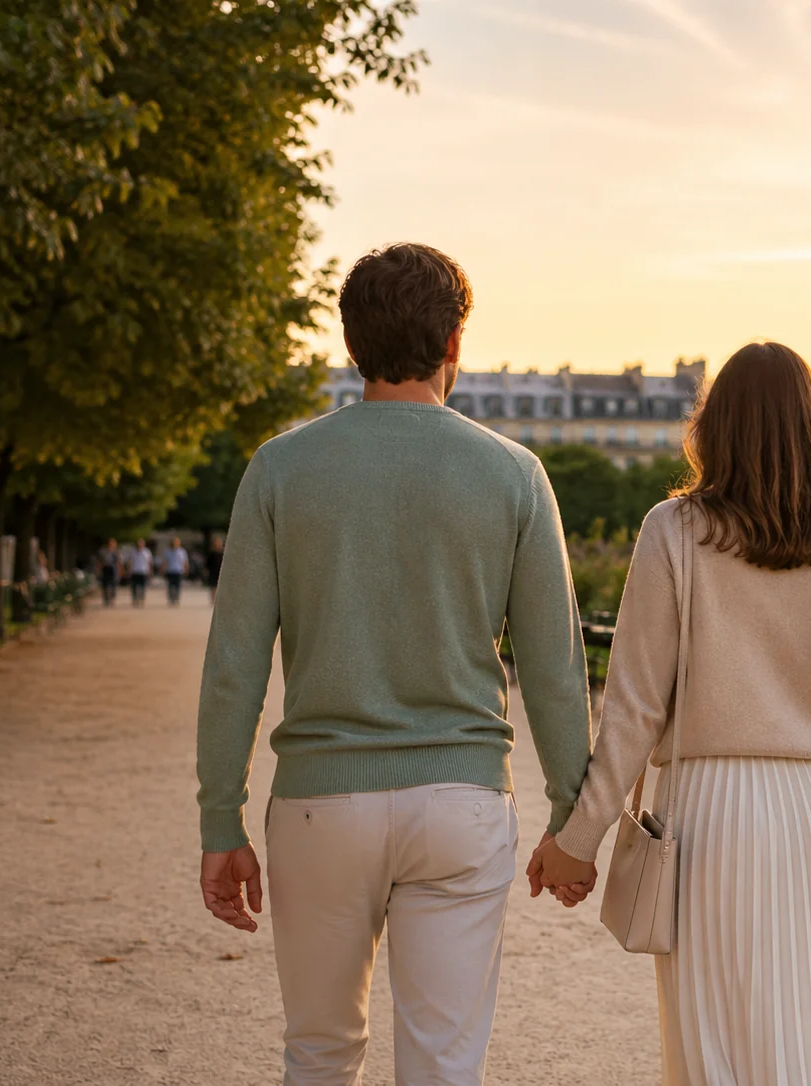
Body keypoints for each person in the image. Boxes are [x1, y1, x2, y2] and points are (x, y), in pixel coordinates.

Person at [195, 242, 593, 1085]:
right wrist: (571, 814)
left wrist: (219, 820)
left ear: (350, 347)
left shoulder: (280, 468)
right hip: (460, 801)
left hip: (318, 807)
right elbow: (556, 670)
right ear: (455, 343)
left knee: (319, 1053)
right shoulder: (515, 476)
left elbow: (234, 663)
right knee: (444, 1067)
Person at [531, 342, 811, 1085]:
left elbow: (633, 709)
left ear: (714, 427)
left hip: (713, 818)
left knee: (721, 1051)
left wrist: (578, 839)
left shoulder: (674, 531)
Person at [163, 536, 189, 606]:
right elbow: (165, 561)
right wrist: (163, 569)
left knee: (178, 586)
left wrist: (186, 569)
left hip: (179, 571)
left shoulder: (182, 551)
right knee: (170, 586)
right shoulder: (167, 551)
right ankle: (171, 599)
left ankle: (176, 598)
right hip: (170, 571)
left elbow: (185, 561)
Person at [128, 538, 152, 606]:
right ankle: (135, 599)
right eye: (139, 543)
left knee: (143, 587)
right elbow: (130, 562)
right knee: (134, 587)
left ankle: (141, 598)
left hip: (143, 571)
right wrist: (129, 570)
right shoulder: (133, 552)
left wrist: (150, 571)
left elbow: (149, 562)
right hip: (134, 571)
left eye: (141, 543)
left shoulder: (147, 552)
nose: (140, 545)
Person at [97, 539, 120, 606]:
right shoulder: (103, 551)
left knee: (113, 584)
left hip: (113, 569)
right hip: (105, 569)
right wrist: (99, 569)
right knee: (105, 585)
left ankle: (112, 598)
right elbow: (100, 561)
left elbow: (118, 562)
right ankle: (106, 599)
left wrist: (120, 570)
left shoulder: (116, 552)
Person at [203, 535, 224, 604]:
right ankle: (213, 599)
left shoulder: (223, 553)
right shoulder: (212, 553)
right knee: (213, 586)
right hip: (213, 571)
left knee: (220, 586)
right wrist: (206, 570)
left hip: (221, 571)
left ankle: (219, 599)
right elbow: (208, 563)